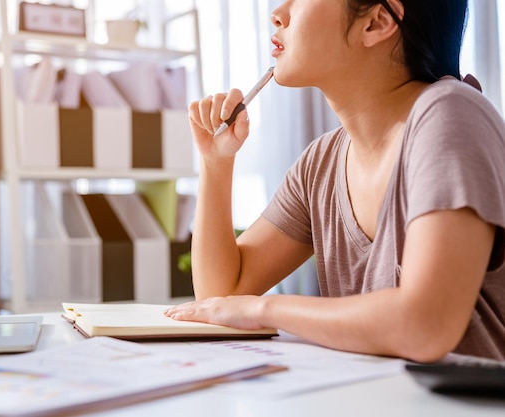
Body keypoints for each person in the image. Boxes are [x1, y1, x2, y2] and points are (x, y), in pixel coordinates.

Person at [164, 0, 505, 362]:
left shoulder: (451, 114)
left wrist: (263, 309)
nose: (278, 13)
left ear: (376, 22)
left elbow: (426, 325)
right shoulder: (320, 163)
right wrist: (216, 162)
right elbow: (221, 293)